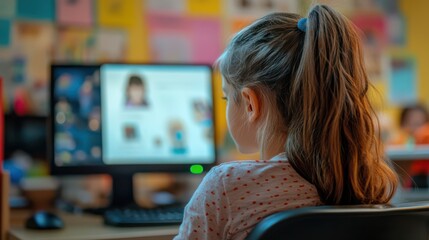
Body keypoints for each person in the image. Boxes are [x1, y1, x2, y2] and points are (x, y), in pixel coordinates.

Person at [174, 5, 398, 240]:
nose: (226, 104)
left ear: (251, 103)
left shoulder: (226, 187)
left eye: (226, 97)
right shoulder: (366, 180)